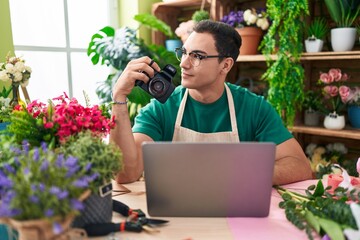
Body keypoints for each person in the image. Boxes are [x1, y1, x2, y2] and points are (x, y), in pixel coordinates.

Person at [110, 20, 312, 185]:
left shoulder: (254, 108)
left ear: (225, 65)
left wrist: (244, 175)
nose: (183, 63)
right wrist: (119, 97)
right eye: (184, 52)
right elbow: (125, 174)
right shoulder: (161, 108)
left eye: (197, 56)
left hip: (236, 215)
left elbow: (300, 167)